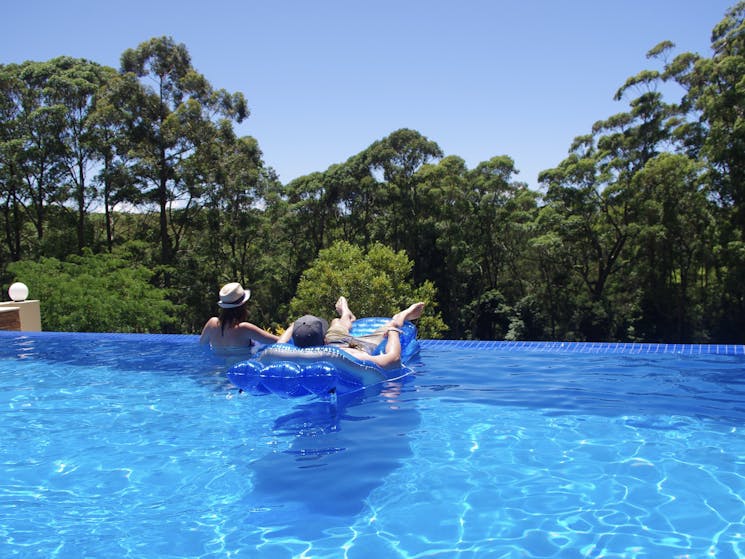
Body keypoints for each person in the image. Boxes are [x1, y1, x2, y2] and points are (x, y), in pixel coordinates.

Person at [277, 297, 424, 369]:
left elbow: (393, 360)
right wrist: (393, 332)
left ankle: (400, 316)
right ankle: (347, 314)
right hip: (345, 343)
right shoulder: (341, 352)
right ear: (325, 339)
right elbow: (393, 360)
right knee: (335, 323)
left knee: (337, 322)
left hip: (348, 344)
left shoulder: (285, 354)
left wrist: (292, 328)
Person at [200, 282, 278, 355]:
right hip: (241, 368)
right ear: (243, 304)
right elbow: (279, 341)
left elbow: (202, 346)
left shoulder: (211, 324)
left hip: (216, 368)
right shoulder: (245, 328)